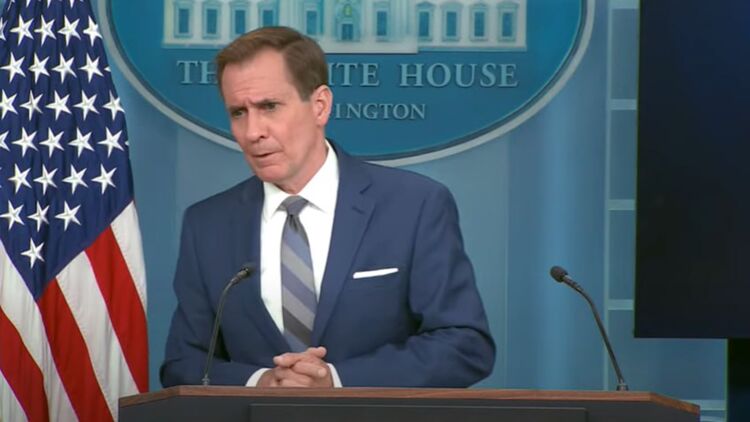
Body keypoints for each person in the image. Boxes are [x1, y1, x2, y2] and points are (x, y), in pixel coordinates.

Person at [160, 26, 495, 388]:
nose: (253, 131)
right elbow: (184, 364)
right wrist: (262, 381)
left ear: (320, 106)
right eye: (239, 112)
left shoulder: (414, 205)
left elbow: (464, 345)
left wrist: (335, 380)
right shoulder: (207, 224)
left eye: (269, 106)